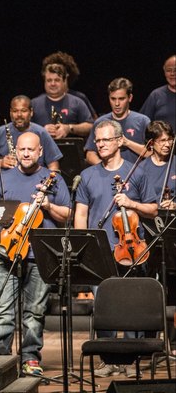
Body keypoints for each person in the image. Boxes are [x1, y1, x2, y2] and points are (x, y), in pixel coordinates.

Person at [74, 120, 157, 378]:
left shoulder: (137, 173)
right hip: (101, 251)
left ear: (120, 141)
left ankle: (131, 360)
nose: (100, 145)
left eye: (106, 140)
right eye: (97, 141)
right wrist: (82, 246)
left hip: (132, 250)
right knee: (103, 307)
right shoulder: (87, 176)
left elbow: (152, 209)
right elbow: (81, 215)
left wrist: (131, 202)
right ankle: (109, 359)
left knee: (131, 306)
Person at [0, 132, 71, 375]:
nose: (25, 153)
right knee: (2, 309)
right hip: (7, 252)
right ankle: (0, 359)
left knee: (35, 311)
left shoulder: (52, 179)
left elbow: (67, 214)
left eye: (30, 150)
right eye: (21, 149)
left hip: (40, 255)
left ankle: (30, 357)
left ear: (40, 152)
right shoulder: (3, 179)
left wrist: (48, 206)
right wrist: (7, 221)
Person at [0, 96, 62, 172]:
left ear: (31, 112)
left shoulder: (41, 133)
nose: (19, 115)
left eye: (23, 111)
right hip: (8, 184)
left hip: (36, 184)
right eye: (15, 111)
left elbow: (53, 165)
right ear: (10, 112)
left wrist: (47, 184)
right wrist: (1, 162)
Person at [85, 78, 150, 165]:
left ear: (130, 98)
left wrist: (127, 143)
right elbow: (90, 154)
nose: (117, 104)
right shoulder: (100, 123)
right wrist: (106, 168)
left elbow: (152, 153)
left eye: (121, 99)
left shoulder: (143, 121)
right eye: (113, 99)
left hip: (136, 175)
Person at [30, 63, 93, 138]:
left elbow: (91, 126)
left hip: (71, 149)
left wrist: (69, 128)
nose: (53, 84)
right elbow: (23, 127)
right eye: (49, 80)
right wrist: (41, 130)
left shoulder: (77, 102)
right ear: (44, 82)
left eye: (57, 80)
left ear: (64, 81)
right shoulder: (33, 104)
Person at [41, 51, 98, 119]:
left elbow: (94, 122)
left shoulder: (80, 98)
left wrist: (70, 128)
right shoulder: (39, 101)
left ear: (67, 75)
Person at [139, 121, 176, 209]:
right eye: (162, 141)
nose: (167, 145)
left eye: (170, 139)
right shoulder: (141, 168)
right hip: (150, 219)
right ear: (151, 143)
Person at [140, 55, 176, 131]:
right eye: (169, 70)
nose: (172, 74)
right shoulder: (156, 95)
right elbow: (142, 123)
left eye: (175, 70)